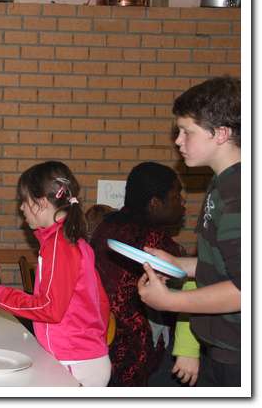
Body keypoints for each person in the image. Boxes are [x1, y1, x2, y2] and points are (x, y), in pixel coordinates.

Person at [137, 76, 241, 387]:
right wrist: (177, 264)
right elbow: (223, 265)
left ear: (221, 133)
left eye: (187, 132)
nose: (178, 141)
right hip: (220, 345)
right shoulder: (220, 184)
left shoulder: (239, 193)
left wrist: (170, 301)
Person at [0, 161, 111, 386]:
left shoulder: (60, 245)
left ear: (41, 202)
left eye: (23, 201)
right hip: (83, 357)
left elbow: (50, 309)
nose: (21, 208)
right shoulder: (68, 238)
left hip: (75, 360)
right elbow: (101, 302)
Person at [90, 162, 200, 386]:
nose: (182, 201)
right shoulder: (154, 241)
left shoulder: (106, 227)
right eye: (176, 195)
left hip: (97, 337)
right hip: (134, 350)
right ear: (155, 204)